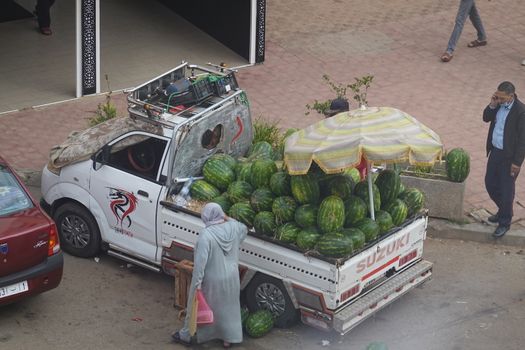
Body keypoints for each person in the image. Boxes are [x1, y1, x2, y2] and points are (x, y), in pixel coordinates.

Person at [172, 203, 248, 348]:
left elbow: (200, 264)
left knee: (197, 308)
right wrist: (226, 217)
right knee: (228, 309)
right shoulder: (233, 228)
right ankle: (228, 339)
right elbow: (244, 228)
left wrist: (197, 284)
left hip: (212, 280)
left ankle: (186, 335)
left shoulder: (205, 236)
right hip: (232, 277)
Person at [483, 81, 525, 238]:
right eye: (497, 97)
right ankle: (504, 211)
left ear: (511, 96)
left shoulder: (521, 111)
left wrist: (517, 163)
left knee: (507, 190)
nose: (499, 100)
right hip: (495, 152)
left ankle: (504, 222)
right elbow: (485, 118)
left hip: (509, 158)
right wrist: (492, 105)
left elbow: (523, 141)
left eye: (501, 98)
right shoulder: (498, 105)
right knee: (490, 184)